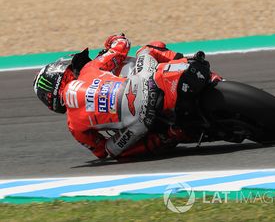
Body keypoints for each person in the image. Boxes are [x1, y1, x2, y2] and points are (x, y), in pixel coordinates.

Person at [33, 33, 216, 159]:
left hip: (139, 124)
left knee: (112, 150)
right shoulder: (90, 68)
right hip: (145, 86)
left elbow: (101, 151)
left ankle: (168, 135)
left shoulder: (73, 126)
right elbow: (122, 46)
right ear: (64, 76)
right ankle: (196, 67)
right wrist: (115, 39)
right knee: (148, 49)